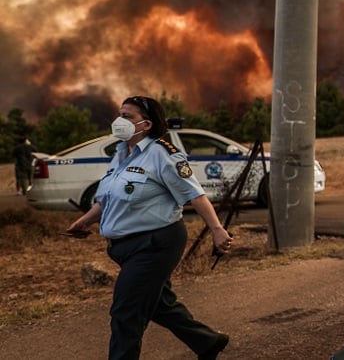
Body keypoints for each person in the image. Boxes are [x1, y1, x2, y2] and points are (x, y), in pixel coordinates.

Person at [65, 95, 231, 360]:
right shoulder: (121, 154)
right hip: (124, 247)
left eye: (128, 116)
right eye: (119, 114)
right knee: (159, 304)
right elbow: (108, 197)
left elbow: (195, 194)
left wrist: (217, 229)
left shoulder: (163, 154)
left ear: (147, 124)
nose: (120, 121)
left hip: (156, 243)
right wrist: (86, 219)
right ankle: (207, 342)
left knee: (126, 312)